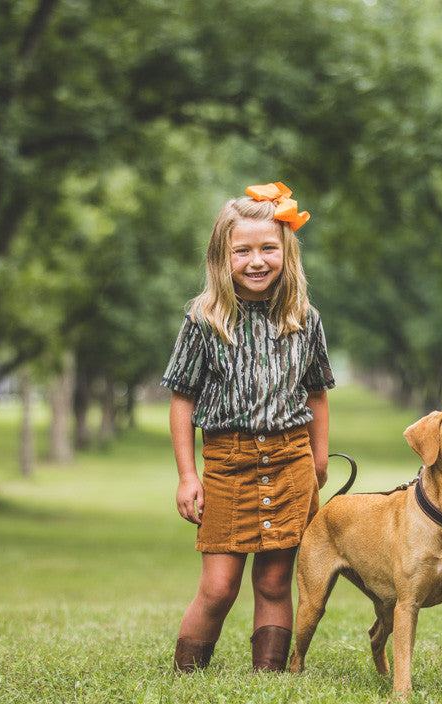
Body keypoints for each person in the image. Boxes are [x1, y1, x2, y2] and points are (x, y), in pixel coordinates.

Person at [161, 182, 333, 674]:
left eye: (268, 249)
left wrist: (318, 459)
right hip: (226, 461)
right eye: (243, 250)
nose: (256, 261)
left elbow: (317, 393)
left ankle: (270, 675)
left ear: (286, 253)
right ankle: (186, 673)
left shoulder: (304, 318)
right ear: (223, 256)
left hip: (289, 459)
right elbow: (181, 399)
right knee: (218, 587)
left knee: (276, 581)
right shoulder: (204, 319)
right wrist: (187, 475)